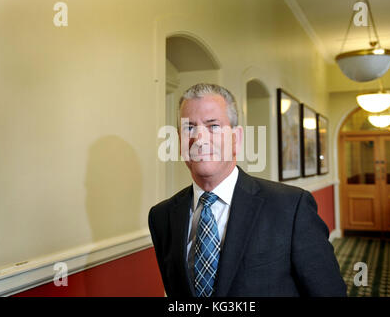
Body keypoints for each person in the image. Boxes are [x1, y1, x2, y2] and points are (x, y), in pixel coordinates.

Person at [148, 83, 347, 297]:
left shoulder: (291, 207)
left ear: (237, 138)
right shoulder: (162, 217)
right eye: (189, 128)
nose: (199, 139)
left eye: (213, 126)